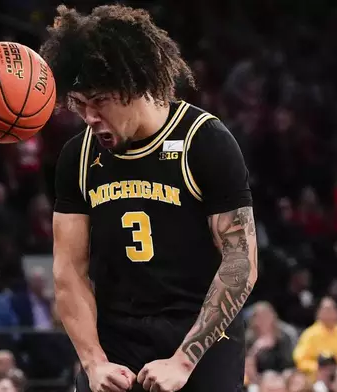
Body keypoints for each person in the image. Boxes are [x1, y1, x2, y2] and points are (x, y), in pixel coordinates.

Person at [42, 5, 257, 392]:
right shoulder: (78, 157)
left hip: (200, 334)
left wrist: (183, 360)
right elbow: (68, 271)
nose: (89, 116)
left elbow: (241, 260)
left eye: (100, 100)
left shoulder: (204, 140)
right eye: (79, 104)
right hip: (116, 335)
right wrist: (93, 362)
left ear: (135, 84)